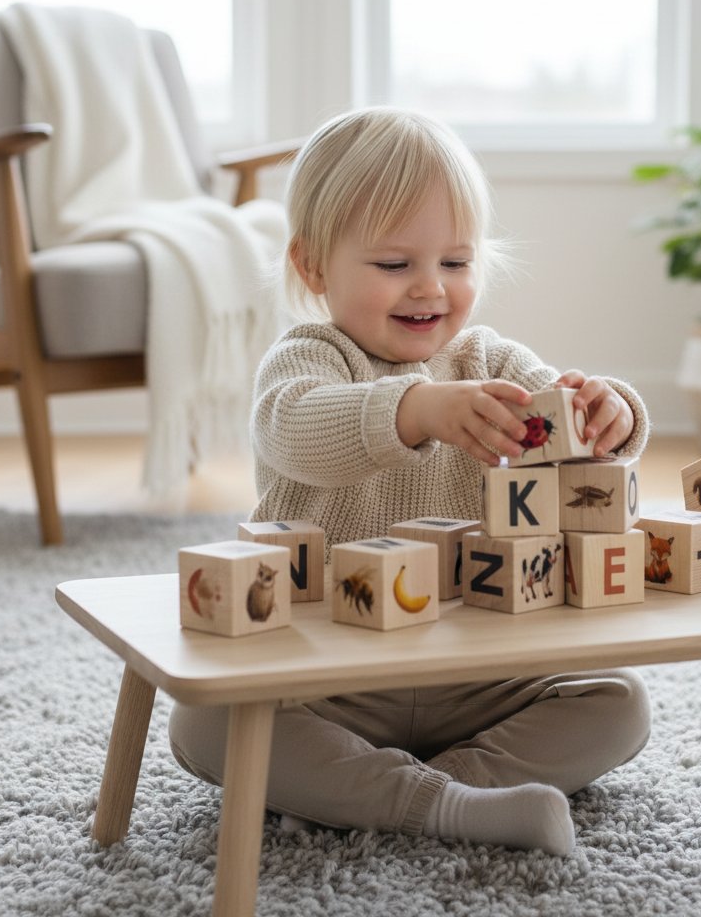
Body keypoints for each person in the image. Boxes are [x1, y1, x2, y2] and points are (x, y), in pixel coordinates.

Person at [169, 107, 652, 856]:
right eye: (395, 265)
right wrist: (416, 410)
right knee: (202, 723)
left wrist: (608, 417)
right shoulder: (305, 359)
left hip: (476, 668)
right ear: (313, 267)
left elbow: (569, 435)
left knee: (619, 702)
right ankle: (438, 804)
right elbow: (294, 428)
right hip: (334, 674)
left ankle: (410, 792)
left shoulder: (489, 361)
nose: (430, 288)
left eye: (456, 264)